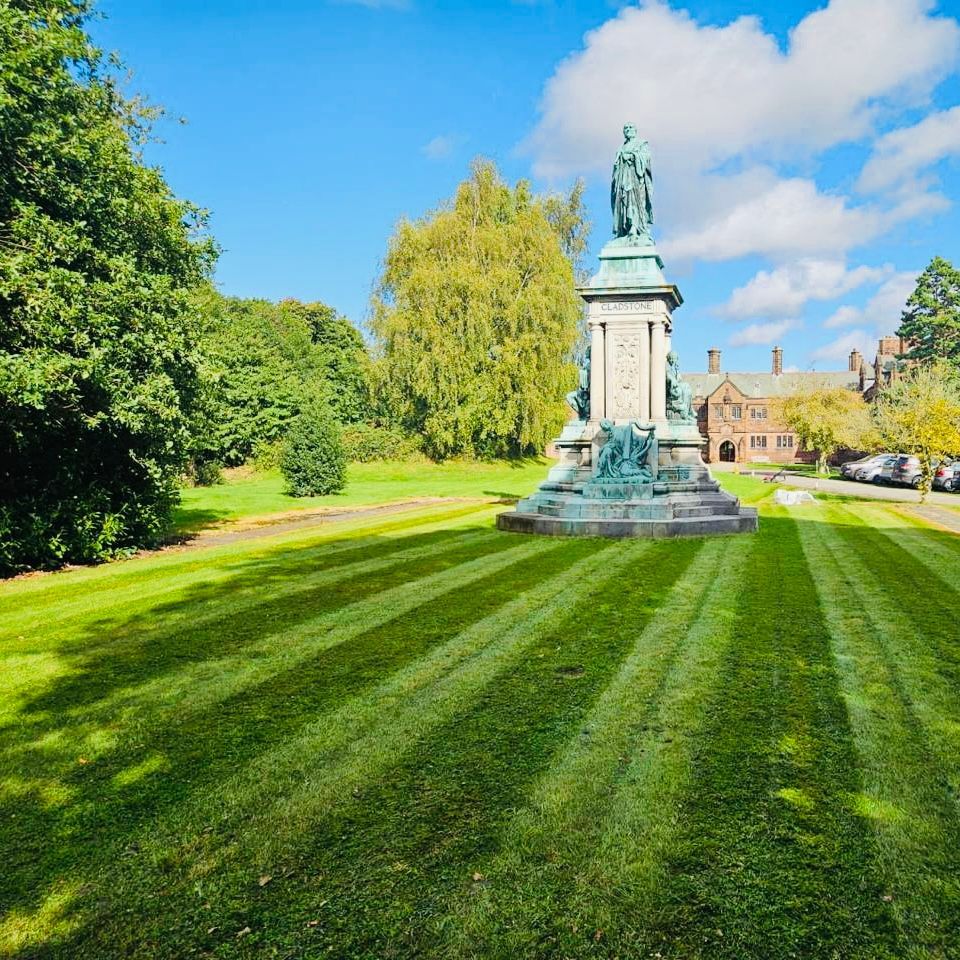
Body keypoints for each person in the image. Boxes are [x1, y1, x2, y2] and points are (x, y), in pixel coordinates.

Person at [611, 123, 654, 242]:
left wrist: (632, 156)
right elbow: (616, 166)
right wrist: (620, 159)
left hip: (635, 180)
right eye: (626, 128)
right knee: (622, 202)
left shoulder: (642, 143)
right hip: (622, 179)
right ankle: (623, 230)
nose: (628, 129)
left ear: (635, 130)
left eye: (631, 127)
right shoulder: (621, 148)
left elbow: (646, 157)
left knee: (634, 201)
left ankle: (634, 228)